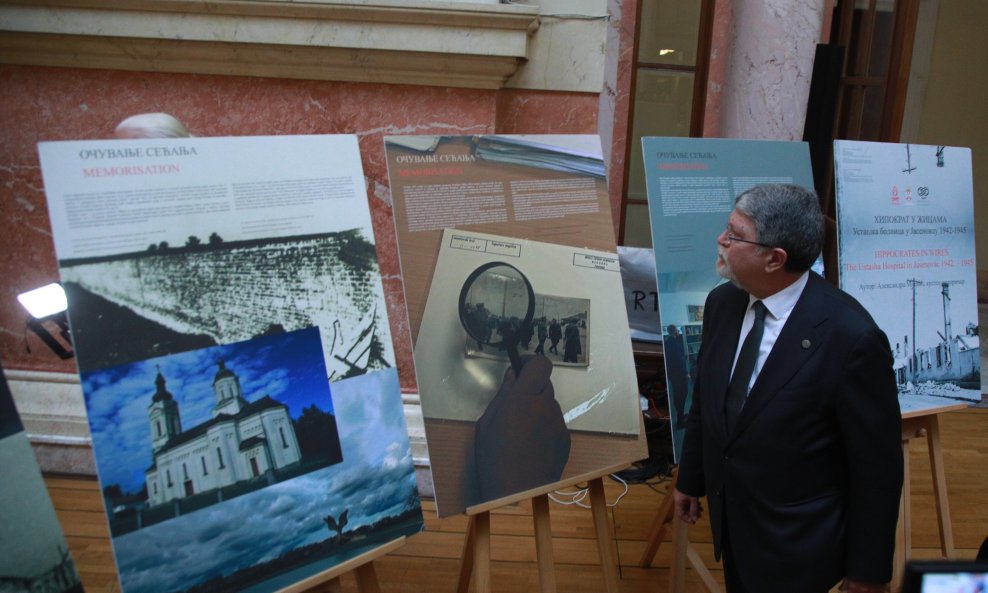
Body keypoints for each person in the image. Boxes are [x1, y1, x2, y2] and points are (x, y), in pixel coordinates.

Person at [673, 184, 903, 593]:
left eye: (734, 233)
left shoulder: (851, 338)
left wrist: (868, 571)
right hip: (734, 525)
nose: (720, 240)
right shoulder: (722, 304)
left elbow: (877, 470)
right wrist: (690, 479)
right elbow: (706, 402)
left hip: (798, 545)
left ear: (774, 259)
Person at [664, 324, 690, 426]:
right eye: (677, 330)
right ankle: (680, 421)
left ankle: (681, 415)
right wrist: (686, 373)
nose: (678, 331)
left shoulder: (668, 341)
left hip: (674, 375)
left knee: (678, 394)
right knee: (682, 394)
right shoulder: (672, 342)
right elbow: (678, 360)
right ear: (674, 331)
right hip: (679, 375)